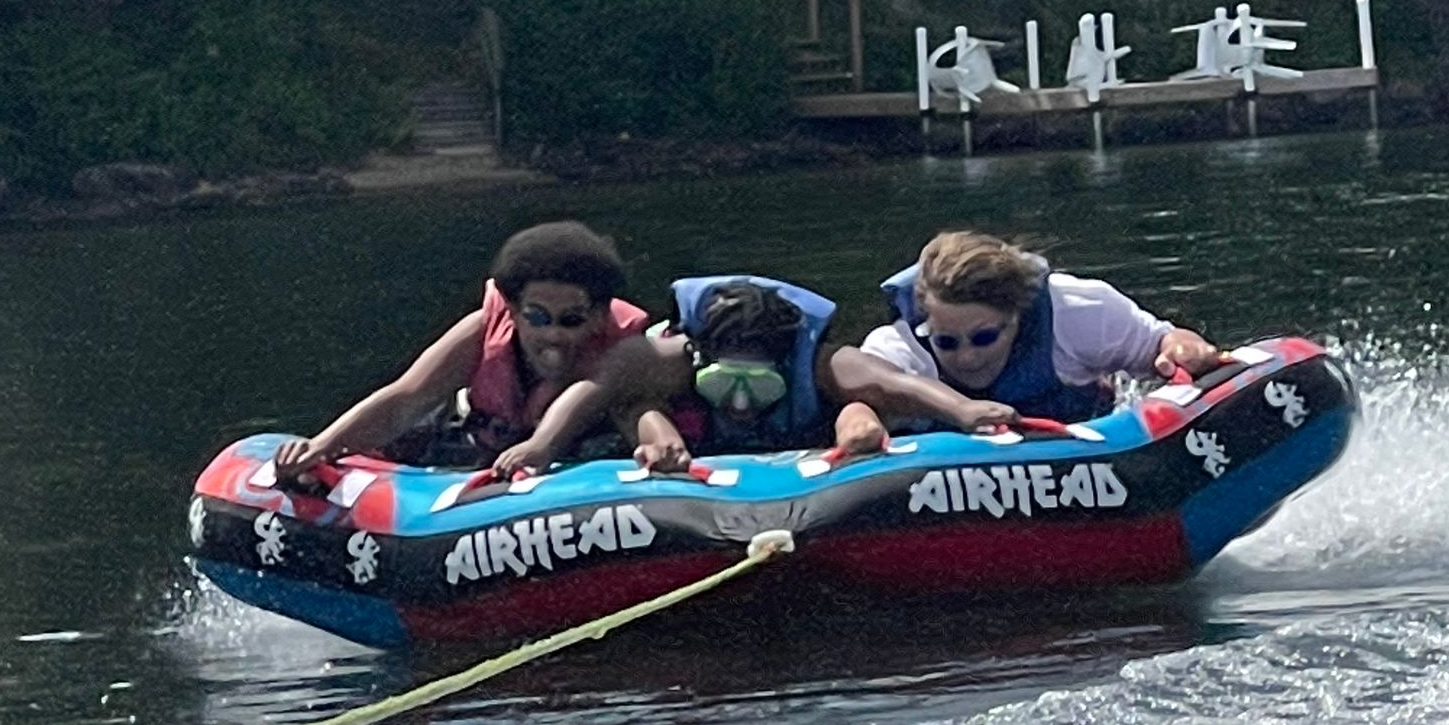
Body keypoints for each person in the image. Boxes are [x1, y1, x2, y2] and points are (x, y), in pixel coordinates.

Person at [494, 274, 1015, 476]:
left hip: (808, 445)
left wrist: (963, 410)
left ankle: (858, 438)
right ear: (699, 361)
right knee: (638, 407)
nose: (739, 404)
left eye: (758, 387)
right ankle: (662, 452)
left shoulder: (818, 363)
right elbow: (595, 390)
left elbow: (896, 384)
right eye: (725, 384)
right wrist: (542, 446)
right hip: (685, 447)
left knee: (858, 405)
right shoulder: (666, 359)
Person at [272, 221, 649, 480]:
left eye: (571, 320)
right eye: (537, 317)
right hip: (482, 456)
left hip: (576, 471)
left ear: (600, 316)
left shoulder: (622, 352)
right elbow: (406, 399)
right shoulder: (484, 329)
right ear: (514, 311)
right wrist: (321, 446)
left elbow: (642, 412)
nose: (552, 335)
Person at [861, 230, 1223, 421]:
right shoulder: (898, 350)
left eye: (984, 337)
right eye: (947, 342)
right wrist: (858, 422)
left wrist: (1181, 347)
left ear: (1017, 314)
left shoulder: (1079, 311)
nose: (968, 358)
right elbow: (855, 405)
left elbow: (1163, 342)